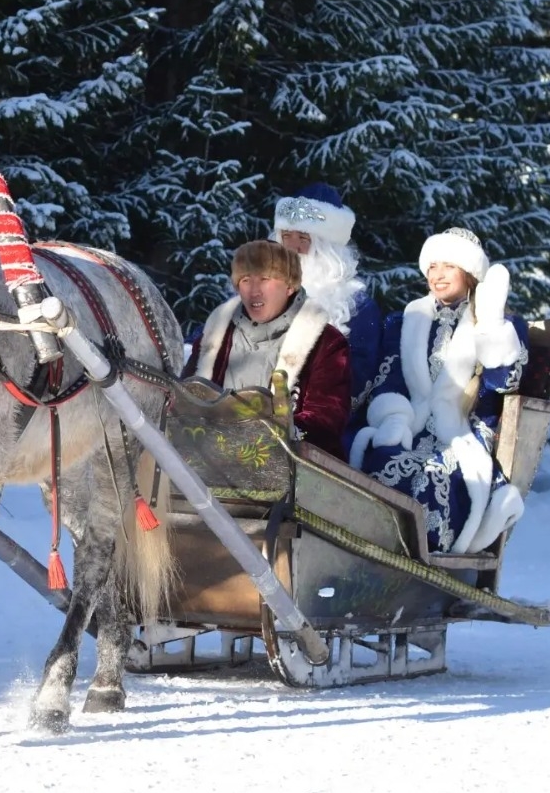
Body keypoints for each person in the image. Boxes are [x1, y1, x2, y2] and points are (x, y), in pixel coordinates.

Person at [348, 227, 528, 554]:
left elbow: (503, 383)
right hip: (412, 425)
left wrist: (490, 326)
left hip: (464, 432)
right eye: (432, 267)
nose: (438, 275)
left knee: (434, 475)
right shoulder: (406, 320)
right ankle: (372, 553)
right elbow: (389, 378)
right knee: (383, 459)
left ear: (470, 273)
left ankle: (427, 557)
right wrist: (394, 418)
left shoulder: (504, 325)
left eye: (449, 266)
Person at [183, 240, 352, 460]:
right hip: (210, 464)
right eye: (245, 280)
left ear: (290, 286)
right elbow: (184, 399)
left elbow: (327, 420)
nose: (254, 291)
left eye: (264, 279)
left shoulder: (326, 342)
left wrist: (283, 430)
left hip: (294, 472)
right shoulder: (216, 335)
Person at [272, 183, 383, 449]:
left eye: (304, 238)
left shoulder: (357, 307)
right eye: (287, 236)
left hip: (315, 427)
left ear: (328, 248)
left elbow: (354, 385)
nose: (294, 248)